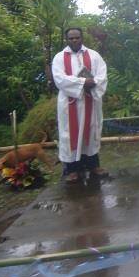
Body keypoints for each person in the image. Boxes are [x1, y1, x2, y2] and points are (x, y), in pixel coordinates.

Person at [52, 27, 108, 183]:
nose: (74, 40)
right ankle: (72, 170)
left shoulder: (94, 56)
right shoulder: (59, 58)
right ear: (66, 40)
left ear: (82, 38)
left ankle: (93, 166)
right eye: (71, 38)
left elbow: (102, 76)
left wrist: (93, 83)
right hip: (70, 103)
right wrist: (83, 82)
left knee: (91, 131)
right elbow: (60, 79)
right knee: (70, 135)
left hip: (90, 101)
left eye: (77, 37)